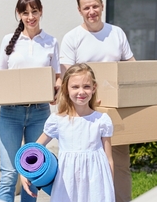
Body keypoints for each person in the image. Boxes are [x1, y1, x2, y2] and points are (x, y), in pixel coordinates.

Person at [59, 0, 135, 202]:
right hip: (84, 113)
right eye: (86, 8)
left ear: (102, 6)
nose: (91, 11)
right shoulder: (72, 38)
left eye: (95, 6)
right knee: (84, 166)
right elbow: (67, 79)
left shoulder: (116, 33)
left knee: (119, 164)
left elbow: (131, 66)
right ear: (79, 10)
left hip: (115, 110)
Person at [0, 0, 61, 202]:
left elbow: (57, 76)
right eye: (25, 12)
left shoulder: (51, 41)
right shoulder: (8, 40)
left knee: (32, 172)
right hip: (10, 113)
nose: (31, 16)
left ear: (41, 12)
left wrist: (56, 88)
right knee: (10, 173)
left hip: (39, 113)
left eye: (35, 11)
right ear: (19, 14)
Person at [23, 63, 115, 202]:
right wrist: (24, 174)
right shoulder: (58, 121)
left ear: (94, 88)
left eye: (86, 86)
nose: (81, 92)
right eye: (75, 87)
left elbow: (109, 159)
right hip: (67, 185)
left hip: (96, 185)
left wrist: (109, 188)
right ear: (66, 88)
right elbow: (34, 150)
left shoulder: (101, 120)